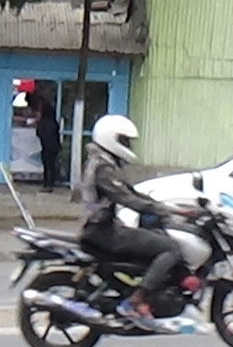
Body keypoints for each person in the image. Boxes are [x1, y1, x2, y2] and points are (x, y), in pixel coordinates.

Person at [79, 114, 187, 324]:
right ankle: (138, 298)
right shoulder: (103, 168)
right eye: (124, 140)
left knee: (154, 237)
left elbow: (132, 193)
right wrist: (162, 211)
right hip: (104, 231)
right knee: (170, 248)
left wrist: (171, 208)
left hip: (103, 228)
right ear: (111, 138)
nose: (127, 146)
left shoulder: (103, 162)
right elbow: (127, 199)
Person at [35, 92, 62, 192]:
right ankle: (51, 183)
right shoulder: (53, 122)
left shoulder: (44, 123)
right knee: (52, 165)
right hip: (54, 146)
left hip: (47, 146)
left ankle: (47, 184)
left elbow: (39, 134)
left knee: (47, 166)